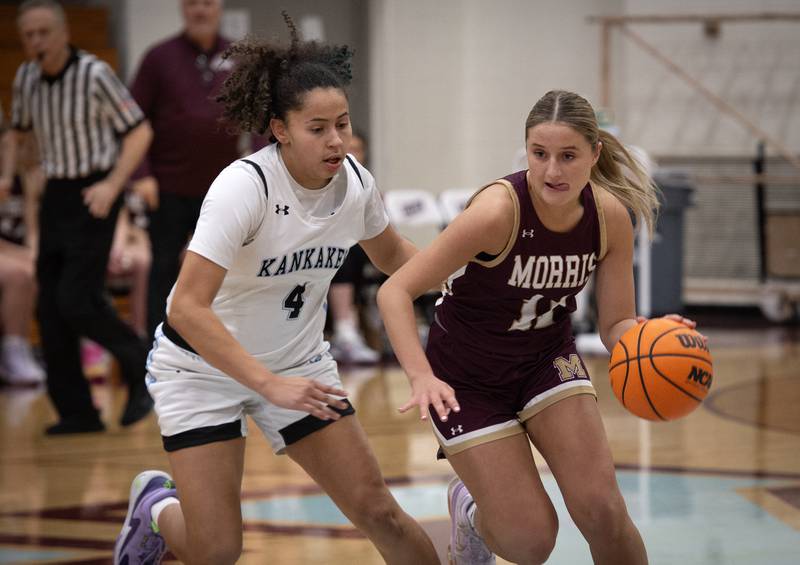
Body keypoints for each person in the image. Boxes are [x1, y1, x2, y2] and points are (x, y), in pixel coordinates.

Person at [114, 15, 439, 565]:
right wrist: (267, 384)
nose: (336, 140)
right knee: (216, 551)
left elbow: (391, 257)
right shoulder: (245, 188)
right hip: (200, 371)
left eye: (342, 122)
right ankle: (155, 508)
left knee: (379, 511)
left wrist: (463, 277)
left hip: (298, 364)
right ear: (280, 129)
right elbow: (188, 309)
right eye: (318, 128)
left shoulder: (355, 181)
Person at [377, 89, 701, 565]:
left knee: (604, 512)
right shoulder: (497, 211)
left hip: (545, 360)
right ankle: (470, 512)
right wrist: (421, 376)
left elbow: (615, 323)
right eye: (540, 154)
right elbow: (395, 291)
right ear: (525, 150)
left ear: (595, 153)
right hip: (466, 378)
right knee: (531, 542)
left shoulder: (609, 216)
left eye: (568, 156)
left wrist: (652, 338)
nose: (553, 170)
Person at [1, 0, 154, 434]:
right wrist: (6, 175)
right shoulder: (26, 76)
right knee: (49, 309)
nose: (35, 43)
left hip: (96, 192)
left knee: (75, 298)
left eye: (43, 33)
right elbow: (18, 131)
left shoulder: (94, 74)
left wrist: (114, 184)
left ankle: (139, 356)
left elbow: (139, 131)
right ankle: (78, 412)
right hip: (56, 194)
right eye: (28, 35)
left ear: (63, 33)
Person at [128, 0, 247, 340]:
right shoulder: (158, 57)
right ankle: (158, 346)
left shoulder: (237, 57)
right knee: (163, 269)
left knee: (225, 270)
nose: (200, 11)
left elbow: (255, 120)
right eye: (193, 3)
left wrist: (261, 169)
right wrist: (141, 175)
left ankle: (220, 347)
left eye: (207, 3)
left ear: (220, 7)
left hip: (222, 189)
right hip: (166, 187)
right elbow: (133, 121)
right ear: (183, 8)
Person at [328, 130, 383, 363]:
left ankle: (378, 328)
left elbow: (386, 239)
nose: (352, 155)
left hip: (362, 249)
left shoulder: (365, 184)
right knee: (345, 253)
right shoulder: (323, 183)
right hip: (330, 252)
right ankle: (345, 330)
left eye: (357, 150)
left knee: (369, 254)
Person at [0, 110, 45, 386]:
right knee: (21, 274)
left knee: (43, 266)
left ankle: (41, 347)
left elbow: (31, 231)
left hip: (13, 253)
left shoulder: (23, 179)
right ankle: (13, 350)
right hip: (6, 254)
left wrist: (34, 251)